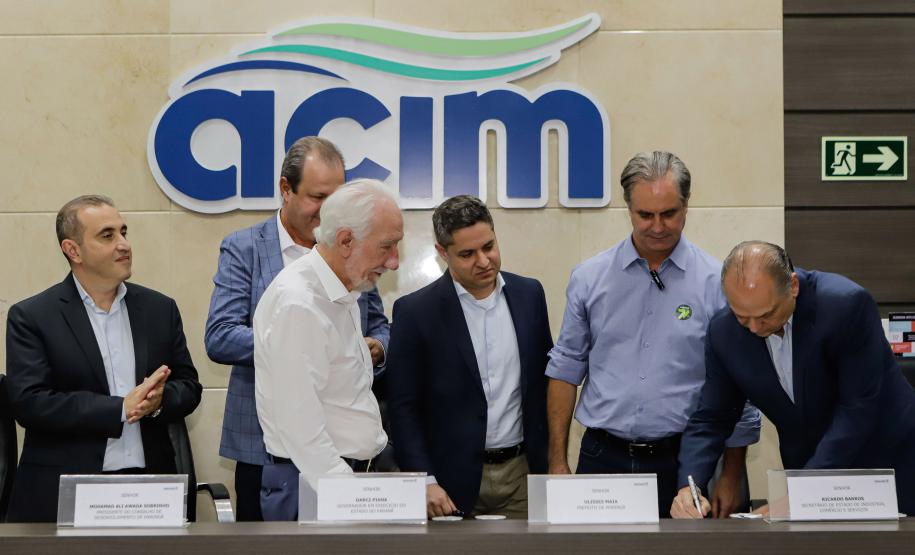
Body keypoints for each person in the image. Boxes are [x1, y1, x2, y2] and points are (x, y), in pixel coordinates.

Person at [546, 151, 760, 518]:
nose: (658, 226)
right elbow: (565, 371)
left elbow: (739, 386)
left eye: (669, 213)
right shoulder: (589, 278)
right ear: (628, 209)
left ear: (686, 207)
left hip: (685, 463)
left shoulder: (716, 284)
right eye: (645, 215)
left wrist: (731, 473)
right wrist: (557, 462)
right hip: (602, 457)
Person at [204, 136, 390, 521]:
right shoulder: (245, 248)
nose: (330, 210)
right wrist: (303, 344)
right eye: (318, 197)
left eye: (337, 198)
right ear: (286, 189)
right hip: (266, 453)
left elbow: (377, 325)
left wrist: (376, 347)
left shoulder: (352, 250)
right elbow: (220, 336)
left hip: (342, 452)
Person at [672, 241, 915, 517]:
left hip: (889, 461)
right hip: (810, 464)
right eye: (742, 317)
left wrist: (805, 492)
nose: (754, 328)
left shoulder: (845, 305)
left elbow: (857, 409)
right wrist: (689, 486)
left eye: (766, 315)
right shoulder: (724, 332)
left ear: (794, 286)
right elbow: (713, 416)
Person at [4, 195, 202, 522]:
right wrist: (120, 408)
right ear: (73, 250)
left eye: (124, 232)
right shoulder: (33, 316)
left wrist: (160, 400)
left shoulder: (159, 309)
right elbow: (30, 402)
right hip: (65, 489)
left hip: (149, 489)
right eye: (107, 236)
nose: (124, 244)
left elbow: (189, 386)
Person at [387, 195, 552, 519]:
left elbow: (543, 383)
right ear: (442, 252)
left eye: (489, 246)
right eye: (467, 254)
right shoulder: (415, 312)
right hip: (447, 482)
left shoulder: (530, 295)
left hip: (521, 474)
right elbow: (403, 407)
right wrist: (424, 479)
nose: (483, 260)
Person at [253, 179, 403, 521]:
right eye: (386, 247)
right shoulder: (300, 303)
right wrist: (352, 499)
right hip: (313, 485)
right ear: (346, 241)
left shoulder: (341, 291)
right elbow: (300, 428)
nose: (394, 262)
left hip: (335, 480)